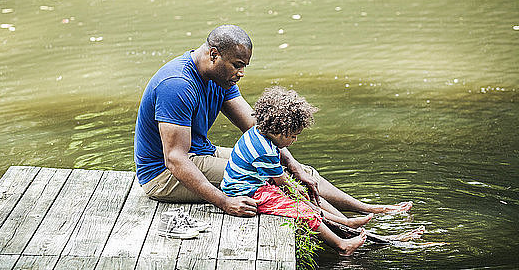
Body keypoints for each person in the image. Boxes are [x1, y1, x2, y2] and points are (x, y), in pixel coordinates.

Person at [134, 25, 412, 217]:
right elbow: (175, 159)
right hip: (163, 175)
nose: (241, 73)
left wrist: (293, 164)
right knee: (275, 181)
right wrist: (225, 202)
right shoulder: (177, 85)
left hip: (200, 155)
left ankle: (367, 210)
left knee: (296, 171)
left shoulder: (221, 77)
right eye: (237, 65)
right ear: (214, 54)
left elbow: (260, 128)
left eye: (244, 66)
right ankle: (348, 233)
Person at [222, 86, 370, 255]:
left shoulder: (258, 133)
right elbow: (282, 181)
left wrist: (298, 191)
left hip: (250, 184)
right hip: (246, 193)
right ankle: (341, 245)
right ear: (279, 131)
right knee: (302, 211)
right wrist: (296, 191)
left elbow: (278, 176)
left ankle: (346, 223)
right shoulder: (265, 151)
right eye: (293, 135)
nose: (295, 140)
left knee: (303, 199)